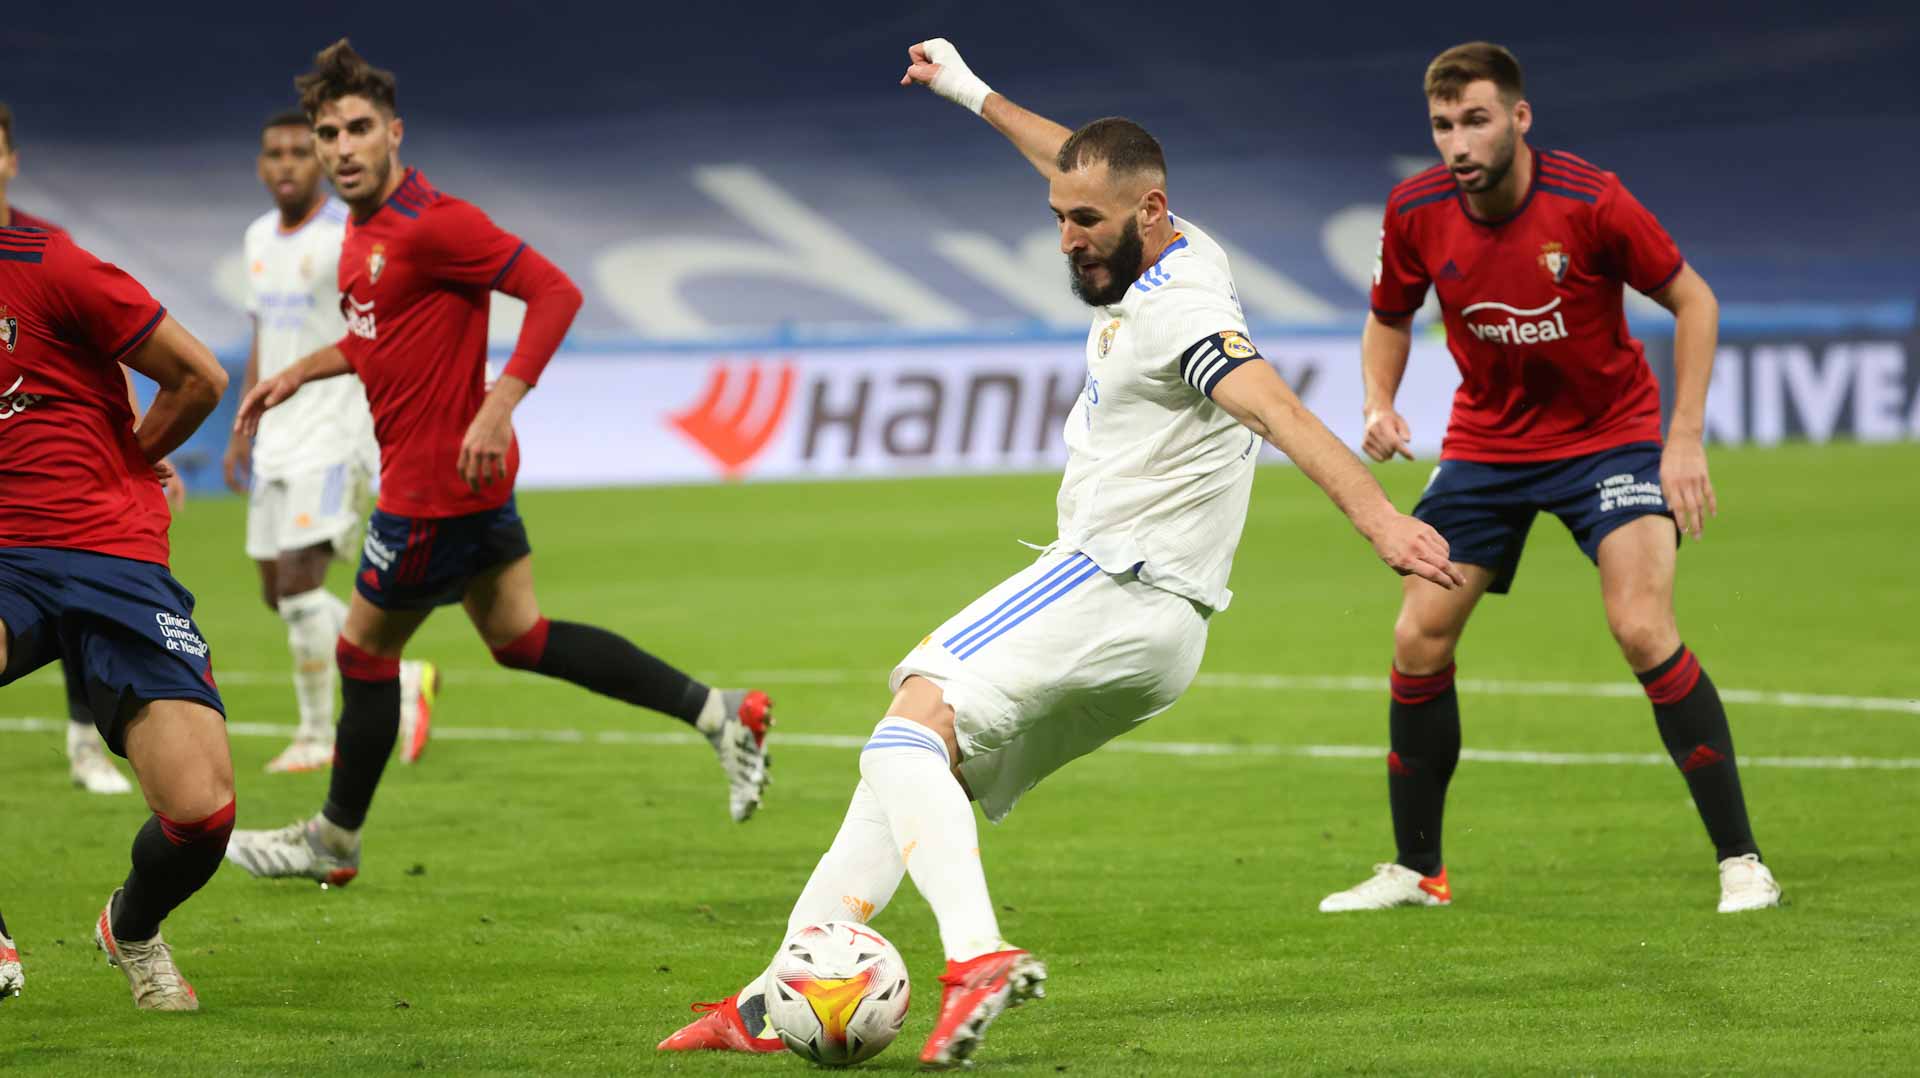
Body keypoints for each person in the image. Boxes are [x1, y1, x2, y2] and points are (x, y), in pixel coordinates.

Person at [658, 38, 1461, 1068]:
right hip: (1160, 631)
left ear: (1152, 212)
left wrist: (1380, 522)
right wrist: (968, 90)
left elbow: (1278, 410)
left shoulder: (1185, 310)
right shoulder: (1174, 242)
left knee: (903, 724)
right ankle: (771, 1000)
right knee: (911, 768)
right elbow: (1072, 162)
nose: (1071, 237)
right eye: (1061, 220)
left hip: (1114, 581)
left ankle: (978, 957)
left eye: (1089, 222)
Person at [224, 40, 773, 888]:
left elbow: (556, 292)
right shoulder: (362, 231)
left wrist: (499, 400)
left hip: (433, 485)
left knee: (364, 656)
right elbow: (379, 339)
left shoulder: (437, 223)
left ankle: (333, 839)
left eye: (357, 128)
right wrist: (297, 371)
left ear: (394, 132)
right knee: (521, 638)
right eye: (327, 132)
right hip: (465, 478)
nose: (340, 148)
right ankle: (720, 714)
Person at [1318, 42, 1780, 915]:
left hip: (1611, 441)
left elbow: (1696, 300)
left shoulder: (1590, 200)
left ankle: (1742, 861)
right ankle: (1419, 871)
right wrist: (1378, 401)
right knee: (1419, 636)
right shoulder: (1415, 210)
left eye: (1476, 121)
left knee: (1642, 628)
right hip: (1488, 447)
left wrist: (1683, 441)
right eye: (1443, 125)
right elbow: (1389, 317)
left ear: (1519, 119)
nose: (1458, 142)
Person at [0, 223, 237, 1009]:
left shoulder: (51, 264)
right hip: (7, 552)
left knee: (203, 811)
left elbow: (198, 376)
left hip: (113, 551)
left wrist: (127, 459)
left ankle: (131, 928)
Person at [225, 110, 437, 774]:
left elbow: (379, 323)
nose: (286, 163)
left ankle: (319, 735)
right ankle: (400, 676)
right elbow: (265, 331)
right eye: (274, 153)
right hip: (278, 430)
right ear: (261, 166)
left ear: (317, 161)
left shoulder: (347, 232)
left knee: (297, 588)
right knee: (276, 590)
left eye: (297, 151)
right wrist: (244, 419)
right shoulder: (258, 237)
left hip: (335, 430)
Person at [0, 99, 159, 795]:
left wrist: (128, 447)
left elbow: (108, 354)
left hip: (49, 491)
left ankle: (84, 744)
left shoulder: (47, 256)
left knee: (69, 579)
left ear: (9, 159)